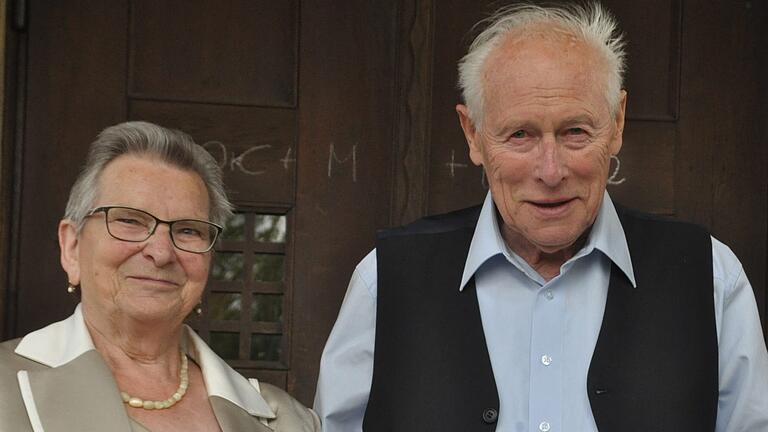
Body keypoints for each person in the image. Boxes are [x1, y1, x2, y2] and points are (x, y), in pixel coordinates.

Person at [314, 2, 768, 431]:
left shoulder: (710, 276)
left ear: (618, 123)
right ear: (472, 134)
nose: (550, 171)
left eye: (575, 131)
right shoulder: (386, 280)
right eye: (520, 134)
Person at [0, 121, 321, 432]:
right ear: (72, 246)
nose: (161, 252)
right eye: (130, 221)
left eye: (188, 230)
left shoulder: (290, 422)